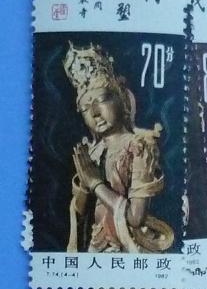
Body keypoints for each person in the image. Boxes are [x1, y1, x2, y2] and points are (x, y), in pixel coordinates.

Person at [62, 43, 175, 253]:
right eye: (85, 108)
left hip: (131, 246)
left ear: (121, 98)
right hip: (97, 247)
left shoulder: (139, 146)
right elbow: (81, 214)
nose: (95, 112)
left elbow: (135, 217)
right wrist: (84, 186)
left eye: (102, 100)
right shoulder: (93, 152)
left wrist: (95, 183)